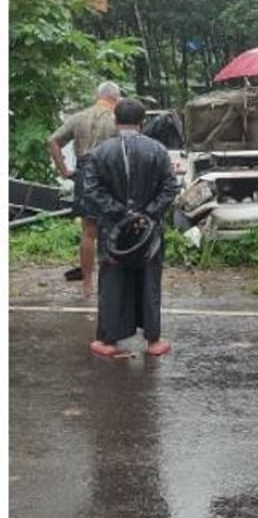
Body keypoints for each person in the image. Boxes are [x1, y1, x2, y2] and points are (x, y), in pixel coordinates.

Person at [81, 99, 180, 357]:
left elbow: (92, 189)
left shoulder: (101, 152)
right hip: (149, 232)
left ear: (115, 121)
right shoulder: (157, 150)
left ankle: (108, 341)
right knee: (149, 281)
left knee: (112, 282)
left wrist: (122, 213)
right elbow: (170, 187)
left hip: (114, 231)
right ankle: (153, 341)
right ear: (142, 122)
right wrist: (147, 214)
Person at [48, 81, 121, 297]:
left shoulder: (79, 117)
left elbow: (53, 140)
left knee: (89, 231)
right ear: (115, 98)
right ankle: (111, 281)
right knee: (113, 227)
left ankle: (87, 284)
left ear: (97, 96)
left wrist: (64, 170)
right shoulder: (117, 119)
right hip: (110, 172)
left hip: (85, 172)